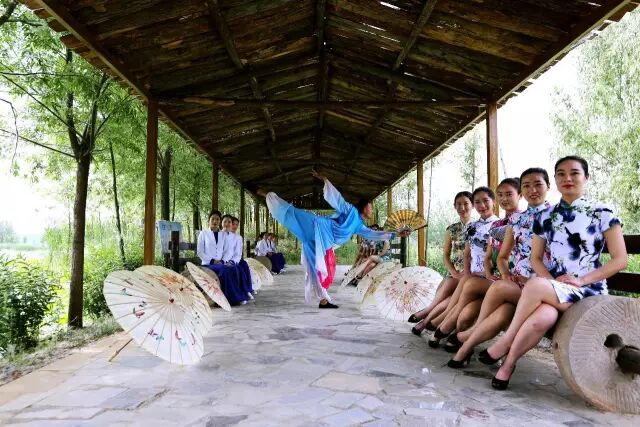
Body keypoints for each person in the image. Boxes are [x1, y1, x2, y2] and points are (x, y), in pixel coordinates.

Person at [484, 156, 627, 390]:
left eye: (574, 173)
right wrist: (553, 284)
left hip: (588, 290)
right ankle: (508, 365)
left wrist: (580, 280)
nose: (567, 178)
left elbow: (620, 260)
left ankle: (506, 341)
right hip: (556, 289)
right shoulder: (545, 217)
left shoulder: (602, 212)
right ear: (555, 180)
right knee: (544, 317)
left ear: (586, 177)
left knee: (535, 285)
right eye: (561, 173)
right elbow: (536, 259)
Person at [255, 168, 409, 308]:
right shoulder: (350, 210)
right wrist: (325, 180)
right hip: (316, 226)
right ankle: (267, 195)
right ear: (364, 207)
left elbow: (374, 234)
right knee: (293, 213)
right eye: (370, 206)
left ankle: (323, 300)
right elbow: (338, 199)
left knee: (317, 268)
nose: (372, 209)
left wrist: (396, 234)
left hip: (322, 242)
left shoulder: (359, 226)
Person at [447, 168, 552, 368]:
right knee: (503, 310)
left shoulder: (555, 216)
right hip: (516, 283)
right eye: (527, 185)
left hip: (542, 286)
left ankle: (464, 340)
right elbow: (502, 257)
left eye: (538, 184)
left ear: (548, 186)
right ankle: (469, 345)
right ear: (522, 190)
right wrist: (505, 274)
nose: (532, 190)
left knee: (495, 292)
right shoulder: (516, 220)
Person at [431, 178, 522, 352]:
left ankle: (442, 324)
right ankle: (444, 324)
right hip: (487, 277)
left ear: (520, 195)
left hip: (506, 282)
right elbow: (488, 257)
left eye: (509, 194)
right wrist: (484, 272)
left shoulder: (520, 222)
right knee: (464, 294)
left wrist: (494, 274)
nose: (504, 199)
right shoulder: (498, 226)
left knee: (469, 285)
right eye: (501, 195)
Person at [425, 186, 499, 348]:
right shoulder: (472, 227)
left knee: (466, 287)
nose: (482, 205)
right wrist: (467, 272)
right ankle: (444, 325)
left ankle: (441, 324)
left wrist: (486, 273)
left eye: (486, 201)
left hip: (490, 278)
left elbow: (498, 257)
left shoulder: (500, 225)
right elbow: (467, 254)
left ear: (494, 202)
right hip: (473, 275)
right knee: (464, 284)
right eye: (477, 202)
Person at [408, 191, 474, 334]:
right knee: (447, 284)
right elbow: (445, 255)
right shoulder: (452, 229)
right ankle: (427, 316)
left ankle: (424, 319)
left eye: (466, 203)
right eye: (458, 204)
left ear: (472, 205)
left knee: (449, 294)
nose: (462, 207)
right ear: (454, 206)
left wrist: (464, 273)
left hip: (471, 274)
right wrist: (453, 272)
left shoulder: (478, 227)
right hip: (455, 273)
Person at [230, 216, 255, 299]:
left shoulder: (238, 237)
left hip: (236, 258)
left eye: (236, 224)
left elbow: (238, 252)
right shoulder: (224, 234)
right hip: (225, 259)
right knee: (239, 269)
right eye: (233, 224)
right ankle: (244, 290)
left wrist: (234, 260)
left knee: (244, 264)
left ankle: (249, 289)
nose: (235, 226)